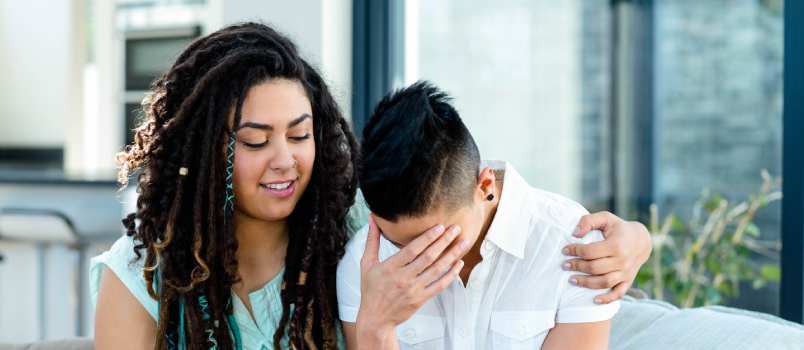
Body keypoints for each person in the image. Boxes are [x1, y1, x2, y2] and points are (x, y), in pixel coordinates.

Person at [338, 81, 652, 349]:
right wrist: (376, 327)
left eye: (437, 241)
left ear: (485, 185)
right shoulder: (365, 264)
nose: (421, 260)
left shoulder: (573, 249)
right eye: (402, 247)